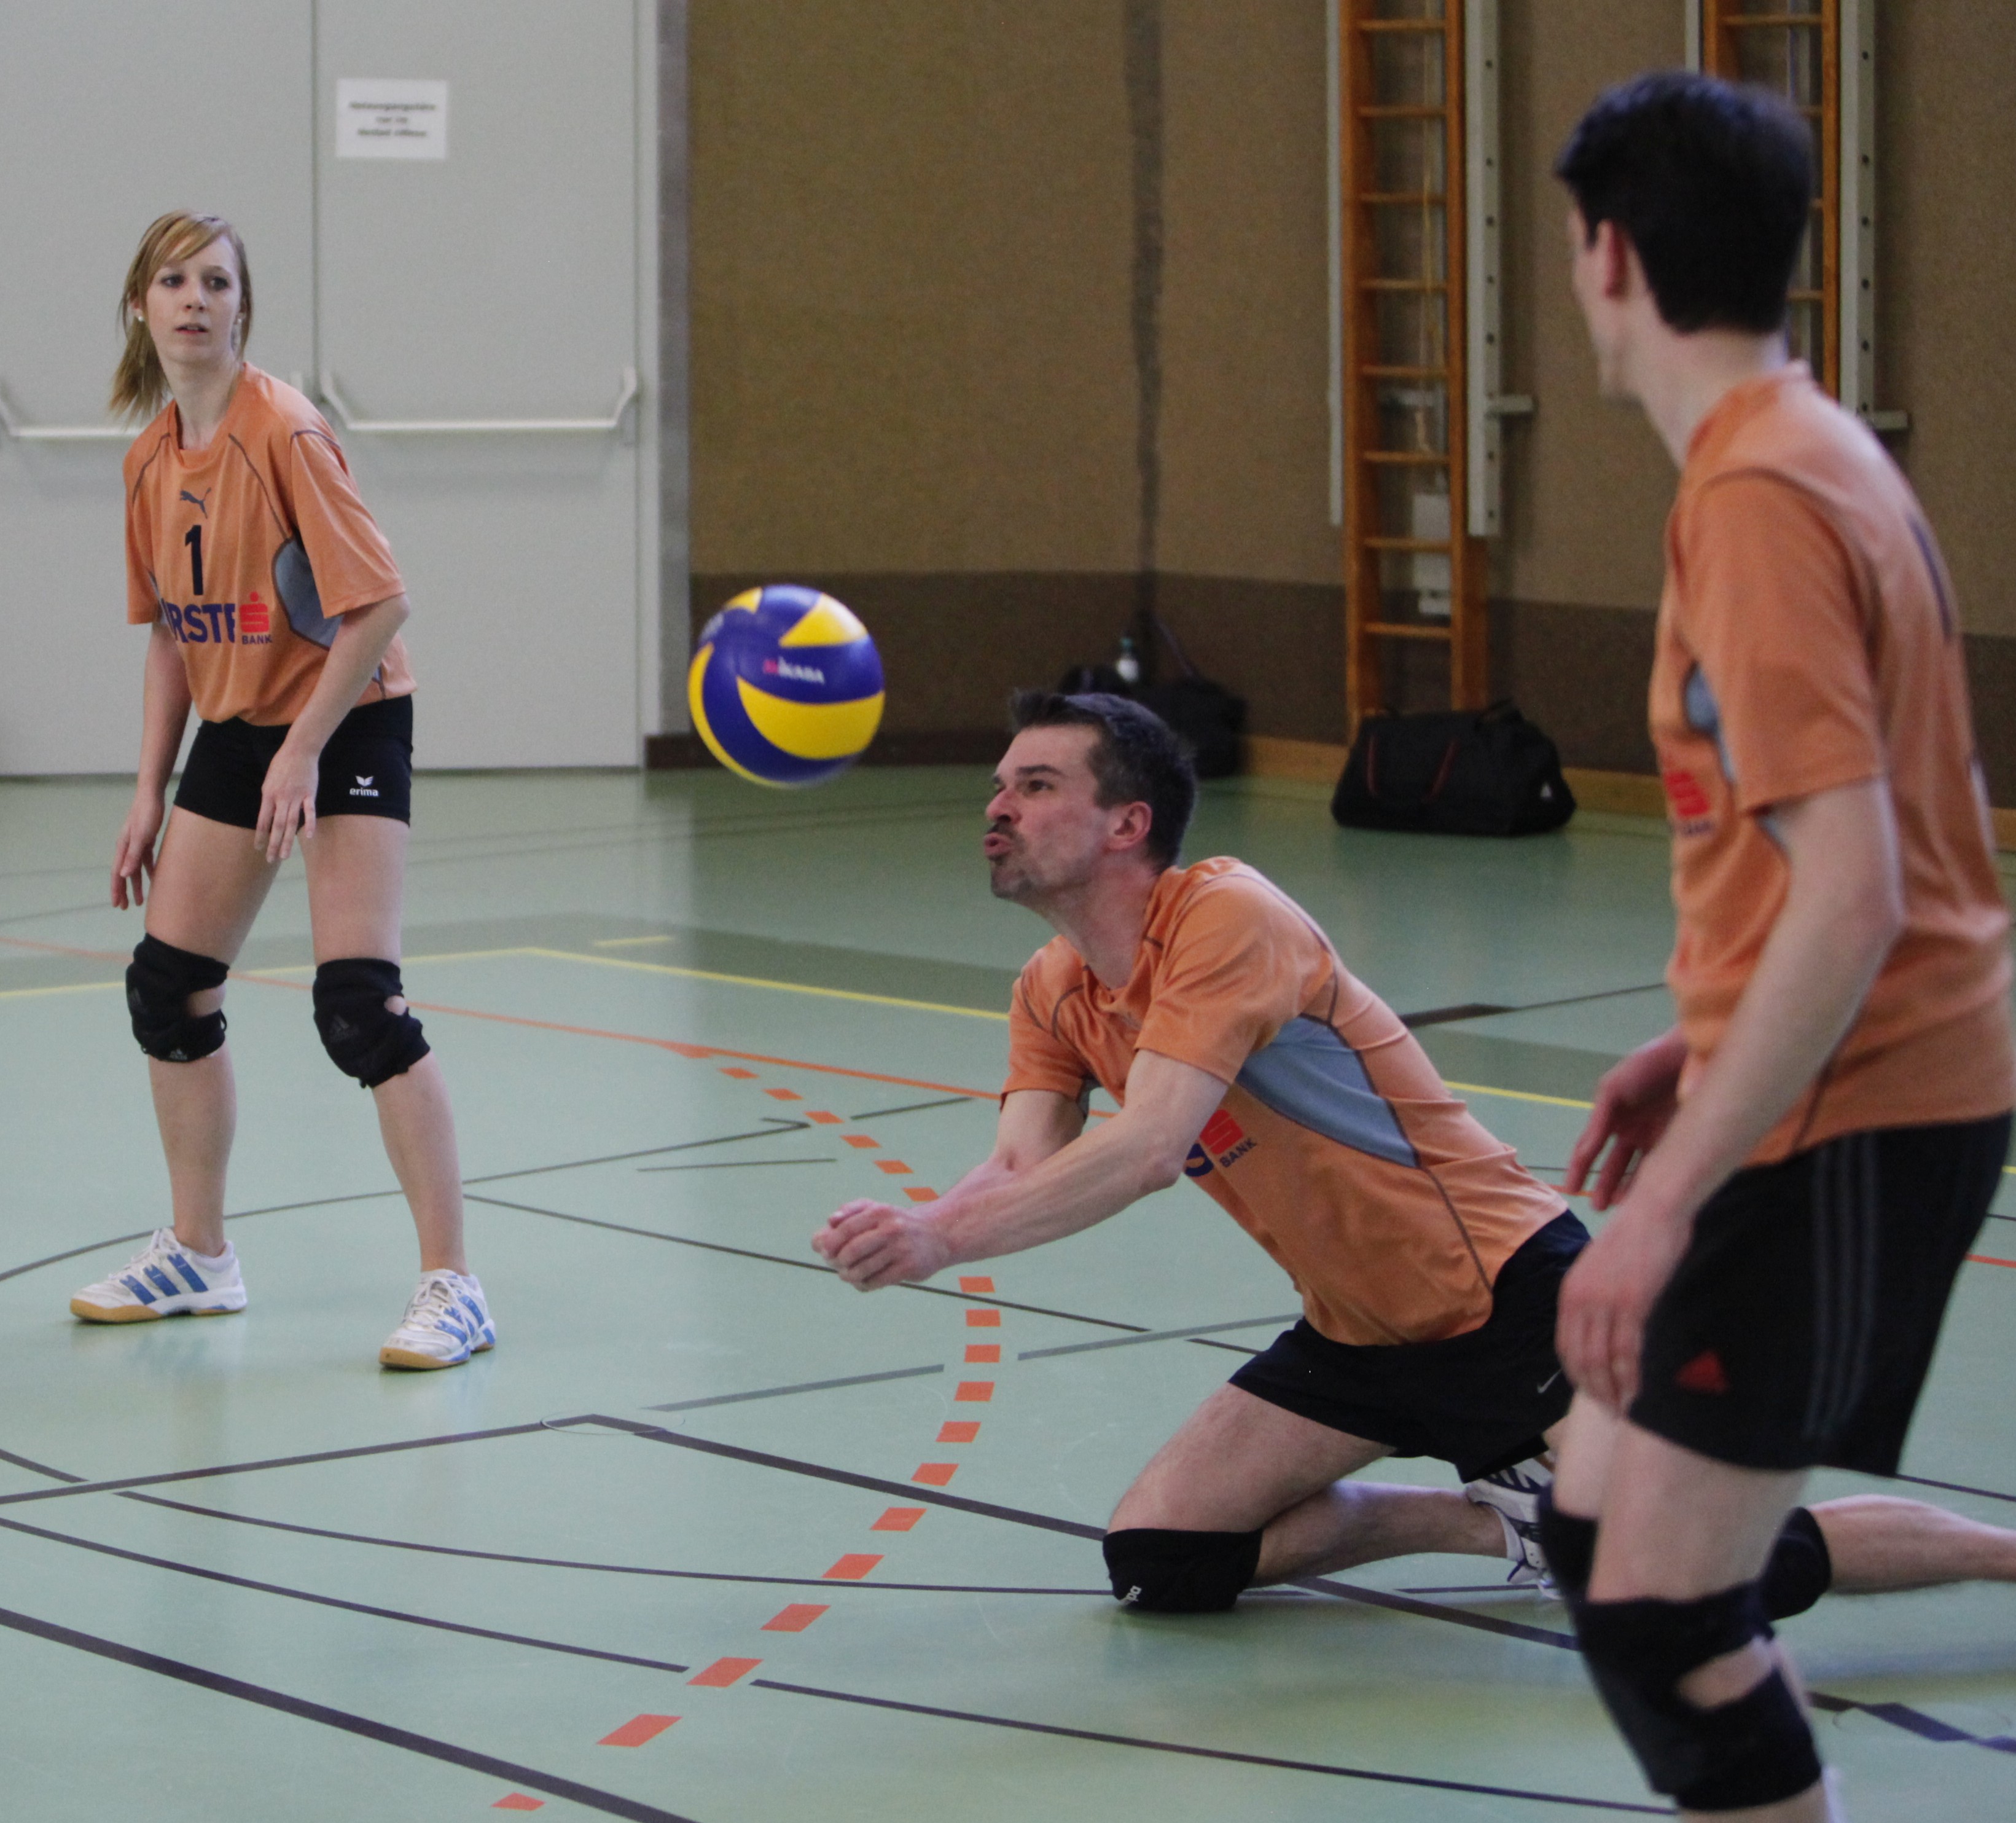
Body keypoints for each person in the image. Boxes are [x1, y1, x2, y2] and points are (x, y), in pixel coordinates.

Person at [812, 692, 2016, 1634]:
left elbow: (1148, 1149)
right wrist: (917, 1222)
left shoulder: (1226, 918)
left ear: (1127, 824)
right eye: (999, 786)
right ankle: (1496, 1521)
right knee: (1162, 1558)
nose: (999, 807)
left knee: (1698, 1567)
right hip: (1357, 1335)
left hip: (1504, 1296)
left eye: (1034, 786)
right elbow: (1021, 1160)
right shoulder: (1053, 987)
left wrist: (943, 1241)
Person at [1549, 74, 2015, 1823]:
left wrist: (1666, 1201)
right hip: (1826, 1075)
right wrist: (1705, 1033)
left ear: (1608, 256)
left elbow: (1857, 885)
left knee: (1665, 1607)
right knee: (1601, 1539)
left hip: (1857, 1109)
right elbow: (1874, 831)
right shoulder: (1808, 450)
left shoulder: (1758, 494)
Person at [68, 210, 495, 1371]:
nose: (194, 299)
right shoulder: (150, 460)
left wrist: (306, 749)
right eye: (173, 280)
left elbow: (382, 604)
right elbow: (170, 635)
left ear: (242, 308)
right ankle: (198, 1256)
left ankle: (453, 1285)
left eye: (217, 281)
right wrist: (149, 792)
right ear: (141, 305)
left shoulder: (285, 432)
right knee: (168, 990)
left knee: (358, 1005)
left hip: (347, 717)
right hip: (240, 725)